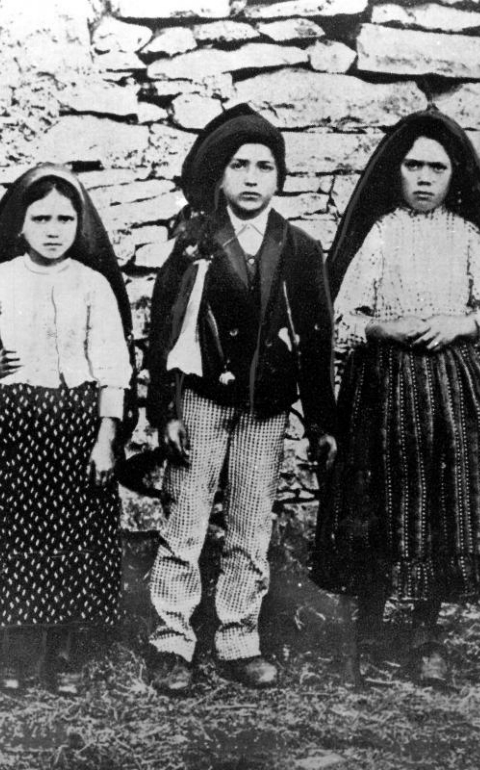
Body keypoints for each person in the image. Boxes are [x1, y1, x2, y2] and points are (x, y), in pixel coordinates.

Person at [146, 104, 337, 694]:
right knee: (187, 516)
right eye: (239, 165)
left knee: (252, 520)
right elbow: (164, 327)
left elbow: (316, 336)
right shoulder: (195, 240)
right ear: (219, 176)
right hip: (202, 401)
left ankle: (238, 637)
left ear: (279, 178)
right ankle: (172, 641)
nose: (252, 178)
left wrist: (320, 420)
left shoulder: (299, 249)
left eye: (264, 166)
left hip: (267, 407)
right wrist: (166, 408)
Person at [311, 108, 480, 685]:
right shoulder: (382, 232)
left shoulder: (468, 238)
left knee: (442, 498)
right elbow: (346, 312)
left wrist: (461, 325)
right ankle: (371, 625)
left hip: (450, 388)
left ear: (455, 175)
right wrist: (385, 327)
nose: (425, 177)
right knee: (381, 499)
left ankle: (427, 632)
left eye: (438, 166)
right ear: (397, 171)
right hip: (383, 388)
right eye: (414, 165)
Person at [0, 164, 134, 694]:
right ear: (20, 225)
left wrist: (106, 439)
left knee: (76, 538)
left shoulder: (92, 284)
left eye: (64, 218)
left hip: (77, 433)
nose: (53, 230)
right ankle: (15, 653)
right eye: (41, 218)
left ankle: (67, 654)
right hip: (14, 433)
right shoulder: (2, 280)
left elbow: (113, 366)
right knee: (17, 539)